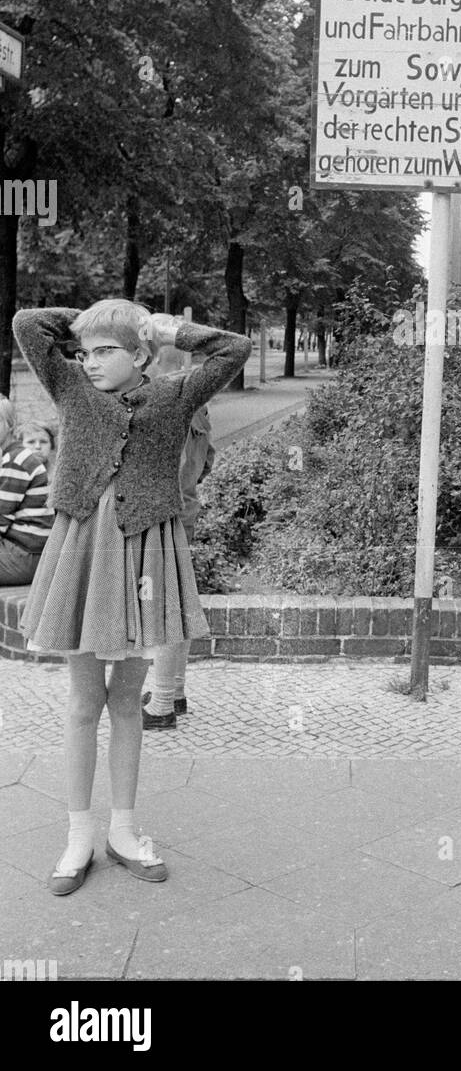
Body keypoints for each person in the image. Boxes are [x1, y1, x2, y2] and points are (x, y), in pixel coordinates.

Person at [12, 301, 250, 895]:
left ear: (140, 353)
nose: (89, 362)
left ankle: (122, 829)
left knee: (126, 699)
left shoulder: (173, 395)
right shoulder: (70, 387)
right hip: (85, 550)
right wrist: (94, 319)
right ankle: (78, 835)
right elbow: (26, 324)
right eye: (84, 351)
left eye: (105, 351)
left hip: (146, 549)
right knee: (82, 699)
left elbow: (234, 348)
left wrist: (160, 326)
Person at [141, 345, 216, 728]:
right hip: (184, 514)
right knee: (179, 604)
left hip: (160, 518)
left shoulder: (160, 407)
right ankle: (176, 691)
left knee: (166, 609)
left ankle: (163, 704)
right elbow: (207, 460)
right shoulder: (196, 407)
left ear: (152, 363)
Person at [0, 397, 53, 585]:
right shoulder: (13, 457)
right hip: (26, 552)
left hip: (24, 555)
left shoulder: (16, 461)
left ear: (10, 425)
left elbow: (1, 519)